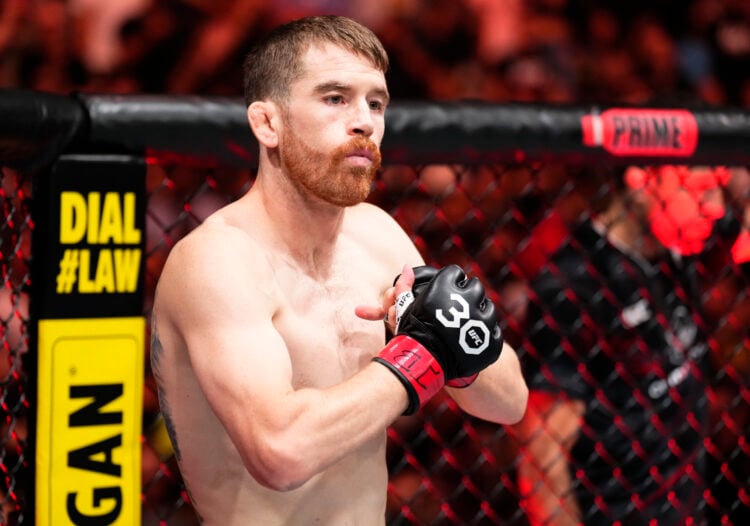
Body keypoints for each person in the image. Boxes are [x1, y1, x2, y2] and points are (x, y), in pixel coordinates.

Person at [149, 15, 528, 525]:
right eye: (335, 98)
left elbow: (510, 402)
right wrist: (422, 354)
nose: (365, 121)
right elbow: (279, 453)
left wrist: (455, 338)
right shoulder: (217, 261)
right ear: (268, 123)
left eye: (376, 103)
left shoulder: (375, 233)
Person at [515, 164, 747, 525]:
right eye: (701, 189)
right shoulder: (575, 285)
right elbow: (544, 460)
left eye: (719, 189)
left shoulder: (679, 249)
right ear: (642, 180)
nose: (716, 207)